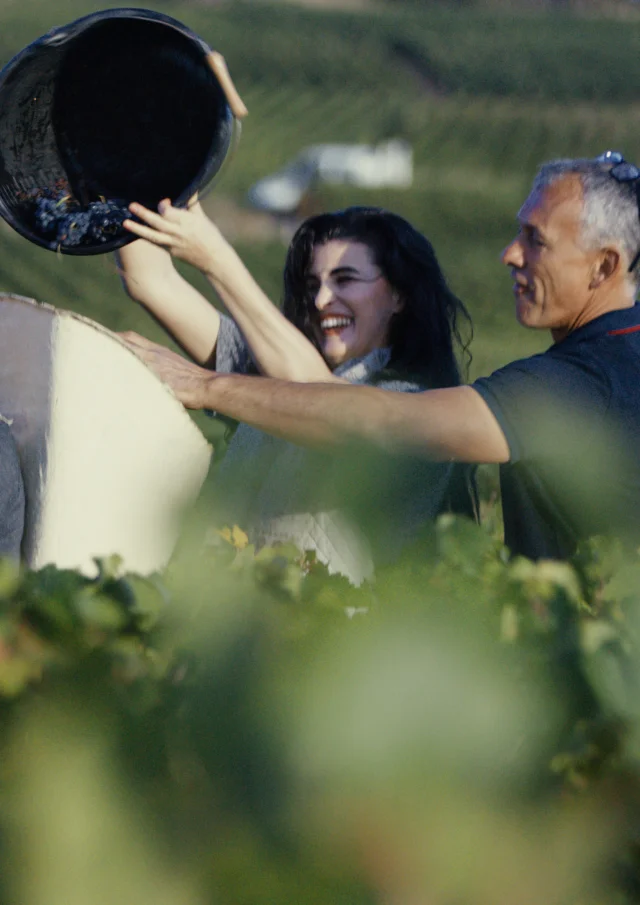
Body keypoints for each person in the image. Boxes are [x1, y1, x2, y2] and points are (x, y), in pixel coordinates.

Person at [123, 153, 640, 563]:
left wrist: (202, 382)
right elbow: (152, 281)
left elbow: (370, 419)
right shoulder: (607, 361)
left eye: (535, 239)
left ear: (604, 267)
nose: (510, 253)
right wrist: (132, 156)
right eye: (312, 284)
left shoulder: (582, 381)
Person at [118, 203, 476, 582]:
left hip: (334, 631)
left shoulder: (415, 404)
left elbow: (317, 399)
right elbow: (150, 281)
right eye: (312, 284)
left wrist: (217, 260)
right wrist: (143, 182)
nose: (321, 300)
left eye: (345, 279)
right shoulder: (266, 370)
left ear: (399, 295)